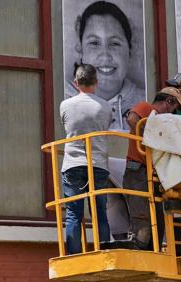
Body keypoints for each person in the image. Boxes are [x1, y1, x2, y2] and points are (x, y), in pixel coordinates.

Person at [123, 87, 181, 250]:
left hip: (155, 173)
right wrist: (150, 135)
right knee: (142, 215)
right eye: (174, 107)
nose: (174, 112)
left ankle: (154, 250)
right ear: (168, 101)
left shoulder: (164, 122)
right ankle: (141, 248)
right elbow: (132, 118)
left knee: (158, 216)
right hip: (138, 170)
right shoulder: (147, 108)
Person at [65, 1, 144, 131]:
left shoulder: (145, 101)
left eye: (114, 43)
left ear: (130, 49)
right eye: (94, 43)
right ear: (80, 47)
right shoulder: (63, 98)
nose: (105, 55)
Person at [60, 64, 112, 254]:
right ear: (96, 82)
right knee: (100, 214)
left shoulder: (65, 105)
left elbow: (66, 125)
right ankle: (104, 253)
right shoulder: (105, 107)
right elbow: (105, 127)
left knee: (73, 213)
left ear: (76, 83)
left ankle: (73, 254)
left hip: (73, 164)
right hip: (98, 164)